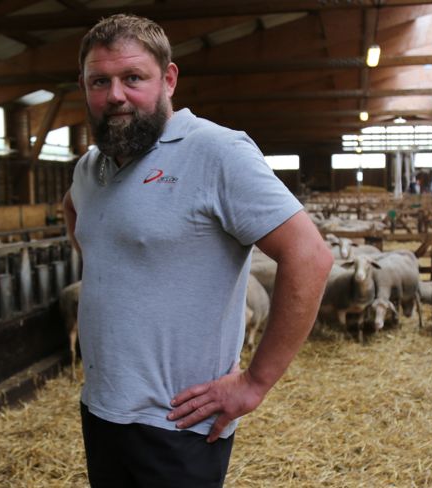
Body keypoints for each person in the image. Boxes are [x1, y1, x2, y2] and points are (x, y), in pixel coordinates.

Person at [62, 14, 332, 487]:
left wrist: (255, 382)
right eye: (99, 81)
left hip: (178, 423)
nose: (115, 95)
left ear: (168, 79)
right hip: (101, 408)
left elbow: (309, 256)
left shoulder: (216, 152)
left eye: (133, 78)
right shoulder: (89, 168)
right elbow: (75, 213)